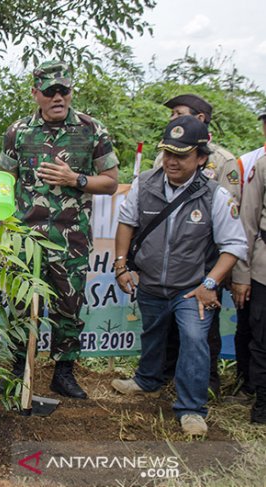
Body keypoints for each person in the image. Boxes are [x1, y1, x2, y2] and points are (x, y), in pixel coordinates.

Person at [112, 116, 247, 436]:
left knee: (195, 340)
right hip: (151, 281)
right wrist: (121, 264)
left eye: (182, 155)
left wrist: (210, 284)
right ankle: (147, 380)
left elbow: (234, 245)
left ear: (201, 158)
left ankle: (191, 409)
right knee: (153, 333)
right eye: (167, 153)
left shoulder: (215, 195)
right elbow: (127, 223)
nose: (171, 161)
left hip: (192, 289)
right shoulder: (145, 183)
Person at [0, 60, 119, 399]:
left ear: (70, 91)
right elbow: (5, 183)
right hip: (25, 239)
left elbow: (110, 183)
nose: (58, 97)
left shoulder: (92, 130)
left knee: (69, 308)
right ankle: (18, 371)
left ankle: (63, 373)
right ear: (35, 93)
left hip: (72, 240)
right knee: (21, 307)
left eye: (63, 90)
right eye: (49, 91)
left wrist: (75, 179)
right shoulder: (18, 132)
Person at [153, 94, 240, 396]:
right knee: (168, 329)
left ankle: (205, 384)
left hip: (204, 259)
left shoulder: (224, 161)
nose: (173, 119)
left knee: (201, 326)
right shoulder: (164, 154)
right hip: (169, 258)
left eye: (179, 113)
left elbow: (232, 212)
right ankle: (166, 379)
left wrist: (219, 274)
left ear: (200, 118)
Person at [231, 111, 266, 399]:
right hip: (262, 267)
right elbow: (248, 223)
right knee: (257, 334)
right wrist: (242, 275)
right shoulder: (257, 164)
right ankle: (256, 396)